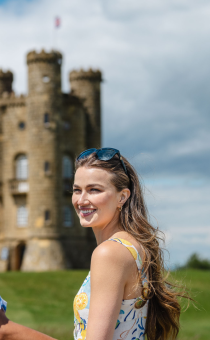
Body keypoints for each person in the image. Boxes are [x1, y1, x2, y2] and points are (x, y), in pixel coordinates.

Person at [72, 147, 186, 340]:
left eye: (94, 190)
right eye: (77, 190)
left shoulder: (109, 253)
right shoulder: (134, 246)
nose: (81, 200)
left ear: (122, 197)